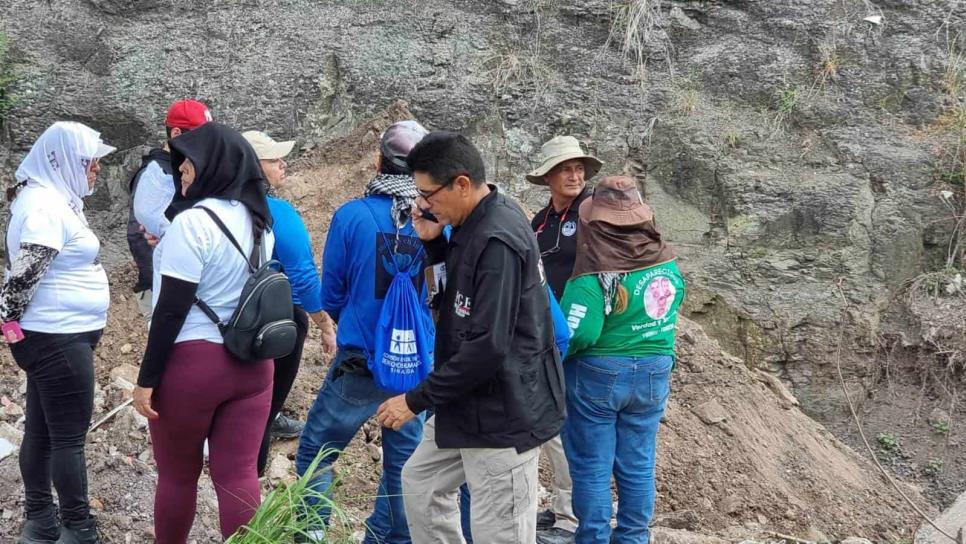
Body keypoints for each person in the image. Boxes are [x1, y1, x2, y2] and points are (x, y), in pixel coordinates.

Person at [377, 131, 566, 543]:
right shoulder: (469, 221)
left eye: (428, 194)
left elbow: (488, 347)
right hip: (465, 400)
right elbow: (456, 296)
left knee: (498, 531)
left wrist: (415, 400)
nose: (422, 205)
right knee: (421, 485)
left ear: (462, 183)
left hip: (503, 411)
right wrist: (432, 247)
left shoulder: (497, 239)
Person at [131, 123, 276, 542]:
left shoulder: (192, 224)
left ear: (214, 165)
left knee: (178, 476)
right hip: (252, 364)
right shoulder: (261, 223)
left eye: (189, 165)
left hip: (194, 366)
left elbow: (170, 312)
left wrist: (146, 381)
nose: (182, 173)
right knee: (239, 473)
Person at [295, 120, 431, 544]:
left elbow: (331, 292)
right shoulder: (436, 223)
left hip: (359, 361)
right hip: (414, 366)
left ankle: (311, 533)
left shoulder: (352, 215)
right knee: (404, 465)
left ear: (378, 161)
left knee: (315, 451)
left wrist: (337, 316)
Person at [557, 176, 686, 544]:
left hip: (600, 374)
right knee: (638, 464)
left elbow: (578, 333)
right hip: (654, 371)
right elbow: (674, 302)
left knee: (593, 467)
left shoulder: (593, 274)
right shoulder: (665, 261)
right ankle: (633, 537)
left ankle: (594, 537)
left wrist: (555, 360)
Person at [3, 121, 115, 544]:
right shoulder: (45, 207)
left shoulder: (52, 199)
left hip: (56, 336)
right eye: (90, 161)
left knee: (42, 431)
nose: (97, 169)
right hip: (58, 339)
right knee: (67, 439)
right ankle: (78, 528)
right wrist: (8, 321)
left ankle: (41, 522)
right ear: (63, 159)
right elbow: (22, 277)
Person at [241, 130, 337, 476]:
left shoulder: (210, 209)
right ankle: (250, 485)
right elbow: (303, 276)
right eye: (273, 159)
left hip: (225, 321)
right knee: (263, 409)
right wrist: (325, 324)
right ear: (253, 165)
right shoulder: (277, 213)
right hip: (276, 320)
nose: (283, 163)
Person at [527, 135, 603, 542]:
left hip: (580, 334)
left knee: (568, 425)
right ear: (548, 176)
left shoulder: (594, 211)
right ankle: (562, 508)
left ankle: (572, 518)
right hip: (545, 333)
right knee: (554, 424)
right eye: (565, 169)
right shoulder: (540, 220)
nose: (574, 176)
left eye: (579, 169)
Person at [131, 99, 212, 243]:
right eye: (200, 136)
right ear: (176, 133)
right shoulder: (154, 174)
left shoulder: (189, 168)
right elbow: (139, 236)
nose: (205, 143)